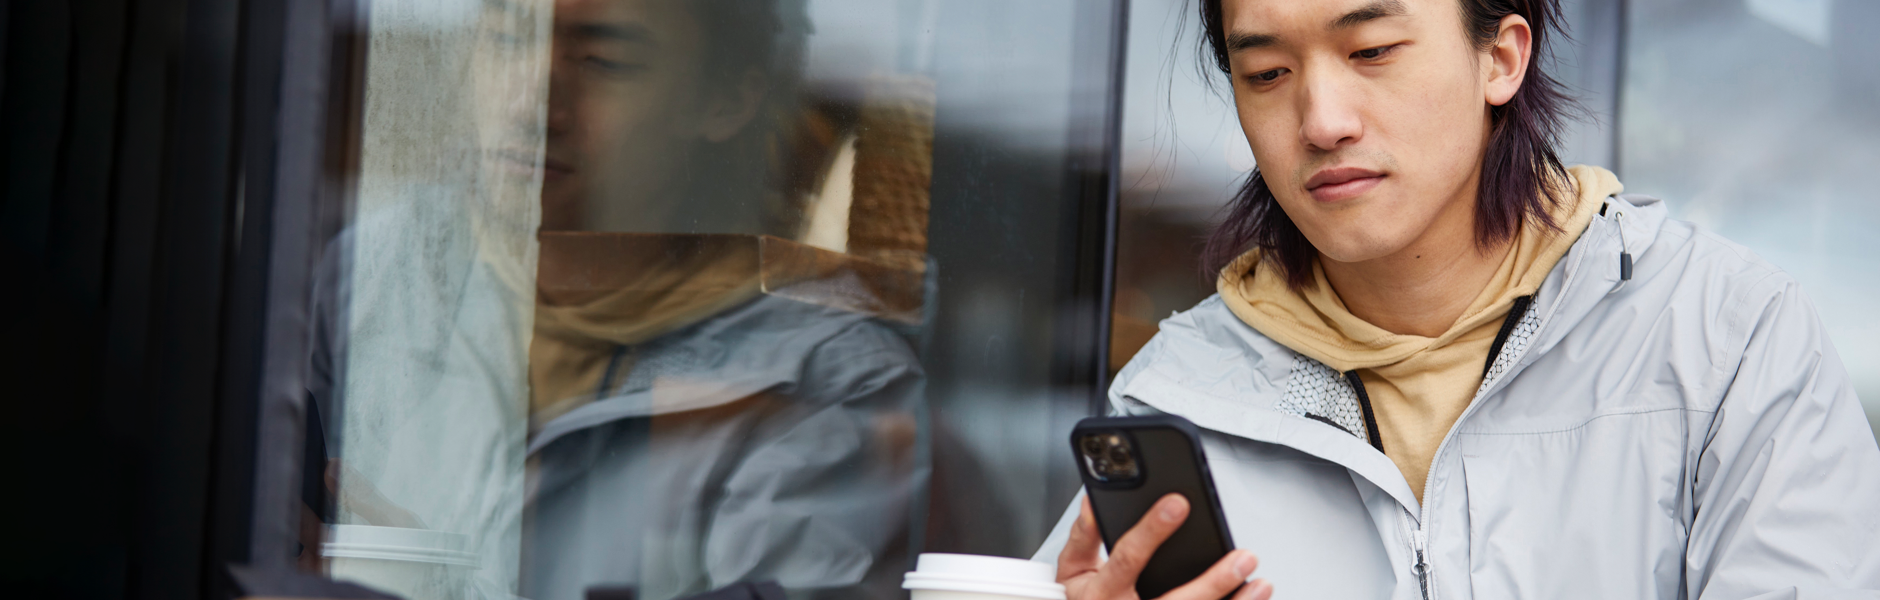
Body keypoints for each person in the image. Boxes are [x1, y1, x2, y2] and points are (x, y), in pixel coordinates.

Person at [1033, 0, 1880, 598]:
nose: (1321, 119)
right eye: (1267, 71)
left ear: (1501, 57)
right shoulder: (1175, 399)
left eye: (1371, 51)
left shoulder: (1726, 341)